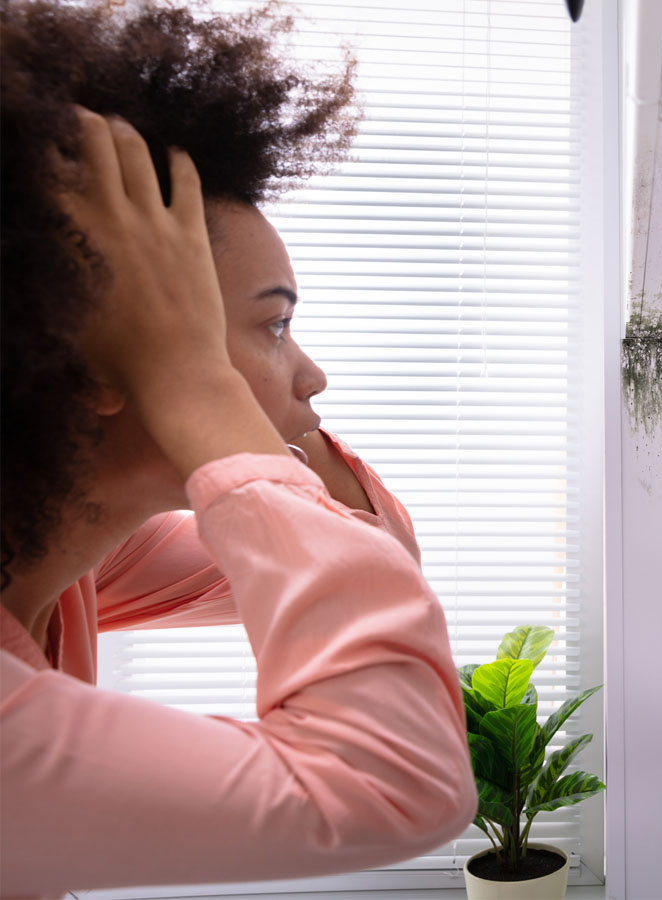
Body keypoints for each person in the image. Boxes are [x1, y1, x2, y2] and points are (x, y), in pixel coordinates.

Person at [0, 2, 477, 896]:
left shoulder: (68, 561)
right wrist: (193, 382)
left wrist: (215, 392)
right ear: (98, 351)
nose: (314, 375)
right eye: (275, 325)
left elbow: (371, 549)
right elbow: (393, 780)